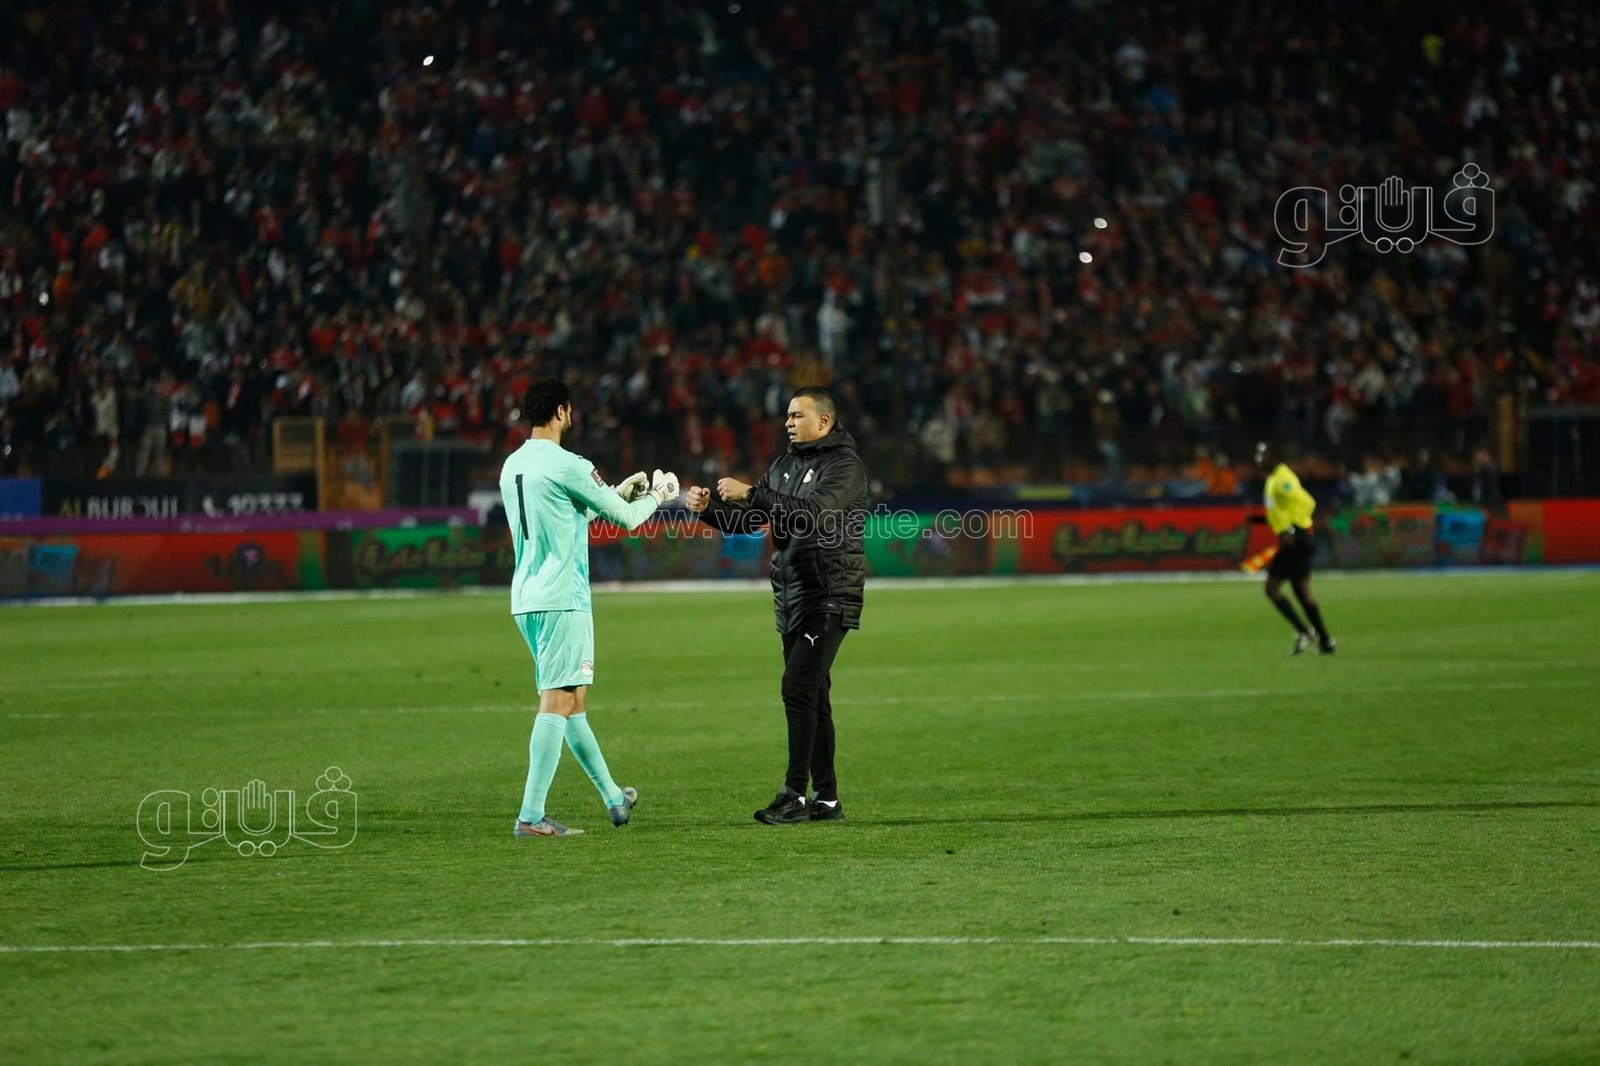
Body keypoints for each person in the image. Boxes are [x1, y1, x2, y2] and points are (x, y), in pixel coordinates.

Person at [498, 378, 680, 837]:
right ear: (561, 412)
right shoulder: (570, 463)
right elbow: (626, 521)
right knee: (557, 700)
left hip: (527, 597)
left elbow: (570, 513)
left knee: (572, 701)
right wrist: (658, 497)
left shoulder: (513, 465)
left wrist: (617, 490)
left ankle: (614, 798)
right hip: (563, 597)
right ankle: (531, 816)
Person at [686, 386, 869, 825]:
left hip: (829, 593)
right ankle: (827, 800)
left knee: (797, 688)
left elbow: (815, 514)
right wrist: (709, 510)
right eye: (786, 415)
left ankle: (793, 794)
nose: (787, 422)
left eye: (797, 415)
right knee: (814, 695)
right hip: (791, 596)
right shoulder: (785, 465)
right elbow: (751, 520)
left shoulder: (845, 466)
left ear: (823, 421)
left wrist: (753, 494)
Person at [1253, 442, 1336, 655]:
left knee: (1272, 589)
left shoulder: (1282, 478)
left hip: (1296, 540)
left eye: (1263, 455)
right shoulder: (1274, 478)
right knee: (1301, 591)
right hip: (1296, 539)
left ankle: (1305, 632)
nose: (1259, 459)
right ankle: (1324, 640)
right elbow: (1279, 510)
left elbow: (1307, 502)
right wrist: (1265, 521)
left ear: (1274, 457)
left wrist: (1292, 528)